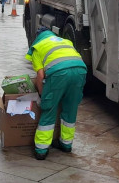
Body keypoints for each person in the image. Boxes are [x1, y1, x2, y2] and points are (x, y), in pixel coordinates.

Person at [25, 26, 87, 160]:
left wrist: (42, 96)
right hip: (80, 71)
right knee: (71, 109)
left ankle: (41, 150)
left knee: (49, 109)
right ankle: (66, 144)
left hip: (59, 74)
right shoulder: (65, 41)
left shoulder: (38, 47)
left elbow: (41, 76)